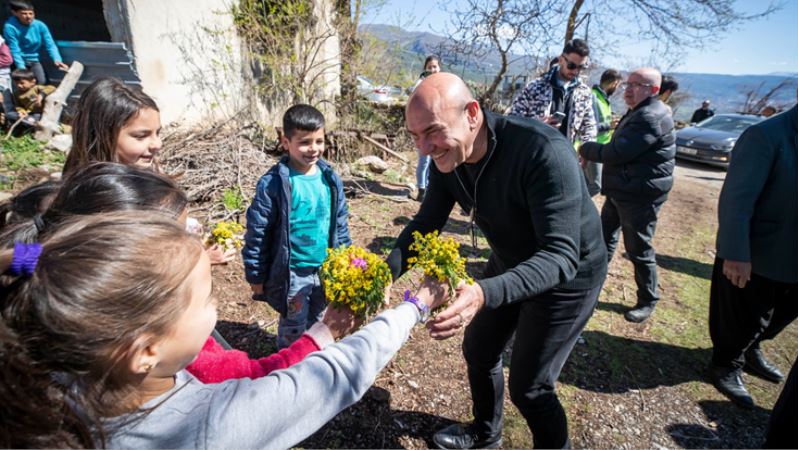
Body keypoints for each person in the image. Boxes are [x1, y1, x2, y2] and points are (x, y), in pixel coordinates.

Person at [0, 211, 448, 448]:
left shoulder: (52, 375)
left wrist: (18, 260)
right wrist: (417, 305)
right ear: (145, 351)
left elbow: (54, 264)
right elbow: (339, 374)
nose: (216, 308)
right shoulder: (206, 428)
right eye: (207, 298)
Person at [389, 72, 607, 449]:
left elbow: (560, 255)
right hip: (509, 260)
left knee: (532, 388)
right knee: (479, 349)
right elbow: (426, 224)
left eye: (433, 132)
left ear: (472, 114)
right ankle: (486, 433)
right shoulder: (449, 158)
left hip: (568, 276)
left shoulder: (542, 151)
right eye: (415, 136)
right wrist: (379, 275)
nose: (424, 148)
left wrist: (483, 293)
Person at [0, 162, 330, 383]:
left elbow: (49, 254)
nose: (195, 236)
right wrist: (324, 334)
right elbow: (257, 377)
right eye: (181, 233)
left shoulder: (70, 304)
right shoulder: (177, 342)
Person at [60, 77, 235, 264]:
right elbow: (144, 268)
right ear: (103, 136)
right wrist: (201, 259)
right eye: (141, 136)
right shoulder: (110, 204)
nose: (157, 144)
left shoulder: (129, 178)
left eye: (157, 133)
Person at [707, 101, 798, 409]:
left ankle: (751, 348)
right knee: (741, 316)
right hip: (759, 251)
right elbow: (736, 199)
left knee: (783, 314)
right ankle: (726, 364)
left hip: (795, 254)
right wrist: (735, 253)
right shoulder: (766, 135)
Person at [243, 104, 352, 349]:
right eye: (304, 142)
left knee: (320, 321)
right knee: (293, 326)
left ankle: (313, 363)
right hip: (292, 274)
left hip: (325, 270)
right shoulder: (274, 184)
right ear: (285, 141)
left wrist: (346, 261)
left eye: (319, 141)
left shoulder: (330, 179)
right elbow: (257, 232)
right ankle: (288, 370)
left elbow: (340, 224)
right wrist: (256, 274)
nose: (313, 149)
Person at [579, 67, 675, 323]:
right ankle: (591, 281)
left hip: (639, 196)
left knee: (638, 248)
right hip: (623, 191)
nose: (629, 89)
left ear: (654, 90)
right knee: (604, 237)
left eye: (638, 85)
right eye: (628, 83)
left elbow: (619, 152)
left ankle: (648, 299)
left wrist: (584, 148)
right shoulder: (640, 111)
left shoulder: (650, 116)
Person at [511, 38, 597, 150]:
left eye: (581, 67)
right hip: (533, 155)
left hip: (564, 158)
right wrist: (538, 126)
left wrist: (587, 150)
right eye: (571, 65)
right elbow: (513, 120)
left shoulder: (584, 93)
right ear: (561, 59)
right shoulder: (535, 87)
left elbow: (589, 126)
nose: (575, 71)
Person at [2, 0, 68, 85]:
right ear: (15, 13)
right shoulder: (10, 27)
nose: (28, 16)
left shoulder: (40, 25)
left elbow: (50, 44)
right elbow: (14, 49)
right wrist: (22, 70)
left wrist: (57, 59)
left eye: (31, 13)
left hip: (34, 60)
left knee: (42, 83)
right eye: (24, 13)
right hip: (17, 60)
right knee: (22, 85)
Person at [588, 68, 623, 197]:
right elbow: (589, 125)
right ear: (614, 83)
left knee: (587, 183)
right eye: (618, 85)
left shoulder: (603, 98)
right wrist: (609, 125)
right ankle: (576, 209)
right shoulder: (594, 97)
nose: (617, 88)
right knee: (596, 186)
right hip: (592, 146)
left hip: (600, 147)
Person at [412, 55, 442, 201]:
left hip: (437, 127)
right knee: (424, 159)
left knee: (435, 160)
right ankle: (421, 189)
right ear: (425, 68)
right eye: (429, 67)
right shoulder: (421, 83)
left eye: (435, 66)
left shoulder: (443, 83)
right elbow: (414, 98)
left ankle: (430, 188)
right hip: (423, 127)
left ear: (439, 67)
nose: (432, 69)